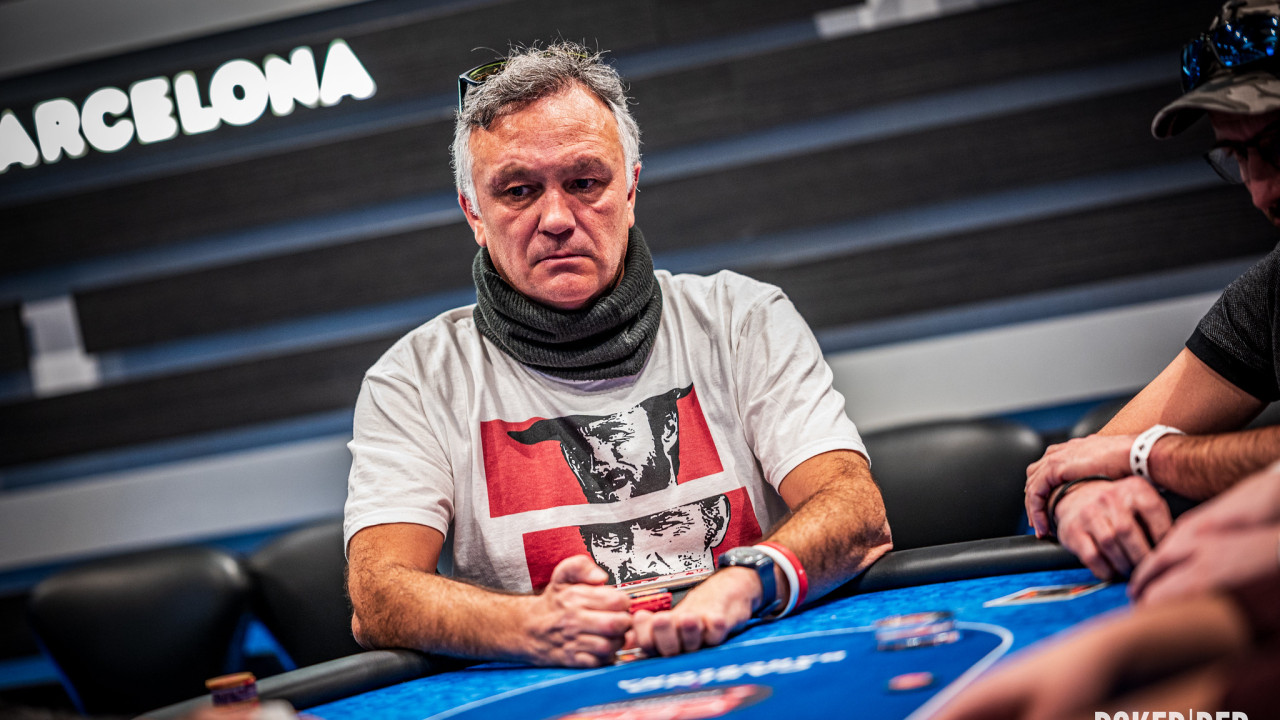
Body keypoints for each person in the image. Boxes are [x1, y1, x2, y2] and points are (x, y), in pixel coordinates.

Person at [342, 41, 892, 669]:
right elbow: (378, 594)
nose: (556, 218)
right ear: (475, 214)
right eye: (518, 191)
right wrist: (530, 626)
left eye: (585, 182)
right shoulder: (413, 380)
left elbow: (855, 509)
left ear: (630, 190)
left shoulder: (741, 319)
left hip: (755, 657)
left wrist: (742, 585)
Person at [1024, 0, 1280, 581]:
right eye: (1239, 156)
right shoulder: (1272, 292)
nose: (1260, 191)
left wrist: (1147, 456)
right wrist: (1082, 500)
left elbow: (1127, 448)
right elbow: (1082, 458)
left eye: (1278, 145)